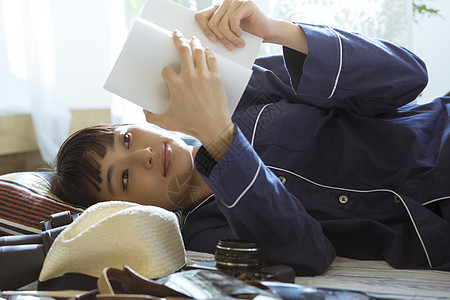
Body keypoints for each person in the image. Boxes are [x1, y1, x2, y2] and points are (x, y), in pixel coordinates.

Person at [51, 0, 450, 275]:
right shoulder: (200, 236)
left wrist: (278, 31)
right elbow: (307, 253)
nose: (143, 156)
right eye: (123, 178)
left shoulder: (239, 89)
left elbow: (409, 76)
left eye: (124, 139)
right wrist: (216, 135)